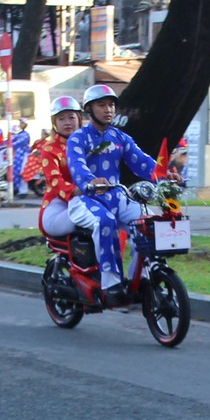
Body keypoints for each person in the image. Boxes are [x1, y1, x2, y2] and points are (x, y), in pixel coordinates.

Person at [64, 84, 159, 294]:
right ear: (89, 109)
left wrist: (164, 174)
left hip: (117, 196)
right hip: (86, 200)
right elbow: (78, 167)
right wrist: (91, 181)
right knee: (105, 221)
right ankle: (111, 282)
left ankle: (141, 278)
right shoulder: (77, 138)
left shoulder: (120, 137)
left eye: (111, 105)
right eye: (101, 105)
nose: (108, 110)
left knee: (150, 223)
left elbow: (142, 162)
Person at [22, 96, 81, 239]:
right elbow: (55, 182)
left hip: (89, 198)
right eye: (61, 119)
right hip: (58, 205)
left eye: (71, 117)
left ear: (79, 119)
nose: (67, 122)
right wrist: (79, 191)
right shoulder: (50, 149)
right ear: (54, 123)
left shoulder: (89, 145)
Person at [9, 116, 32, 197]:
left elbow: (17, 142)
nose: (20, 124)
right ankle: (16, 189)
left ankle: (23, 191)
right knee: (15, 172)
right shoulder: (18, 134)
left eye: (22, 123)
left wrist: (9, 145)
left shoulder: (26, 135)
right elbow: (10, 140)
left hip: (24, 155)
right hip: (17, 156)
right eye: (20, 123)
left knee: (22, 173)